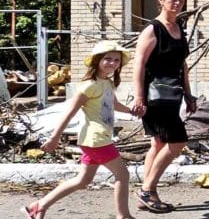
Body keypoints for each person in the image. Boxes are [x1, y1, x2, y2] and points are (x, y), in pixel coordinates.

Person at [21, 41, 135, 219]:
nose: (112, 63)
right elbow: (69, 112)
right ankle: (123, 216)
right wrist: (54, 137)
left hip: (97, 138)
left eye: (116, 60)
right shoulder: (88, 85)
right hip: (96, 139)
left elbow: (113, 104)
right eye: (107, 59)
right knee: (123, 175)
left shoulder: (106, 83)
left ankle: (38, 206)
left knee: (83, 180)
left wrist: (131, 110)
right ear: (97, 60)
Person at [131, 0, 197, 213]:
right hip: (155, 96)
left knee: (158, 143)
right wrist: (138, 97)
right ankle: (147, 190)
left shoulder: (179, 28)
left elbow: (183, 65)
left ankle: (147, 194)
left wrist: (189, 94)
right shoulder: (153, 29)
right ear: (161, 0)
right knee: (177, 141)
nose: (177, 3)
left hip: (174, 95)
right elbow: (139, 63)